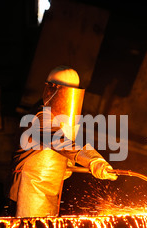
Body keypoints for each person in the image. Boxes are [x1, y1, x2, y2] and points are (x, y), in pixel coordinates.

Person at [9, 66, 117, 217]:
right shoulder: (38, 119)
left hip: (47, 200)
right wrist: (93, 161)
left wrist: (65, 167)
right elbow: (61, 142)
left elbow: (63, 154)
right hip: (21, 200)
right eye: (67, 93)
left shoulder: (61, 122)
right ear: (51, 90)